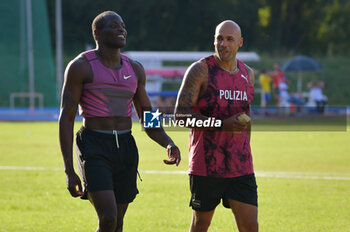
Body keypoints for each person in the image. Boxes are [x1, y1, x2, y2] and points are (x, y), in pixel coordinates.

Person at [58, 11, 181, 232]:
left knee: (118, 223)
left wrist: (168, 142)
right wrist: (69, 170)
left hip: (125, 146)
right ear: (97, 32)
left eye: (123, 26)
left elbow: (147, 115)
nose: (121, 30)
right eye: (114, 26)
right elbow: (66, 118)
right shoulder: (81, 66)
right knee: (107, 218)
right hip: (93, 145)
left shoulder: (134, 68)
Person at [174, 20, 258, 232]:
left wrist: (245, 148)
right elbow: (180, 115)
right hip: (207, 165)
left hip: (240, 165)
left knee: (250, 227)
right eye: (219, 38)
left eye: (229, 39)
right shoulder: (201, 70)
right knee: (201, 225)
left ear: (240, 42)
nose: (224, 44)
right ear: (214, 40)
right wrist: (222, 125)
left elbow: (245, 117)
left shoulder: (248, 74)